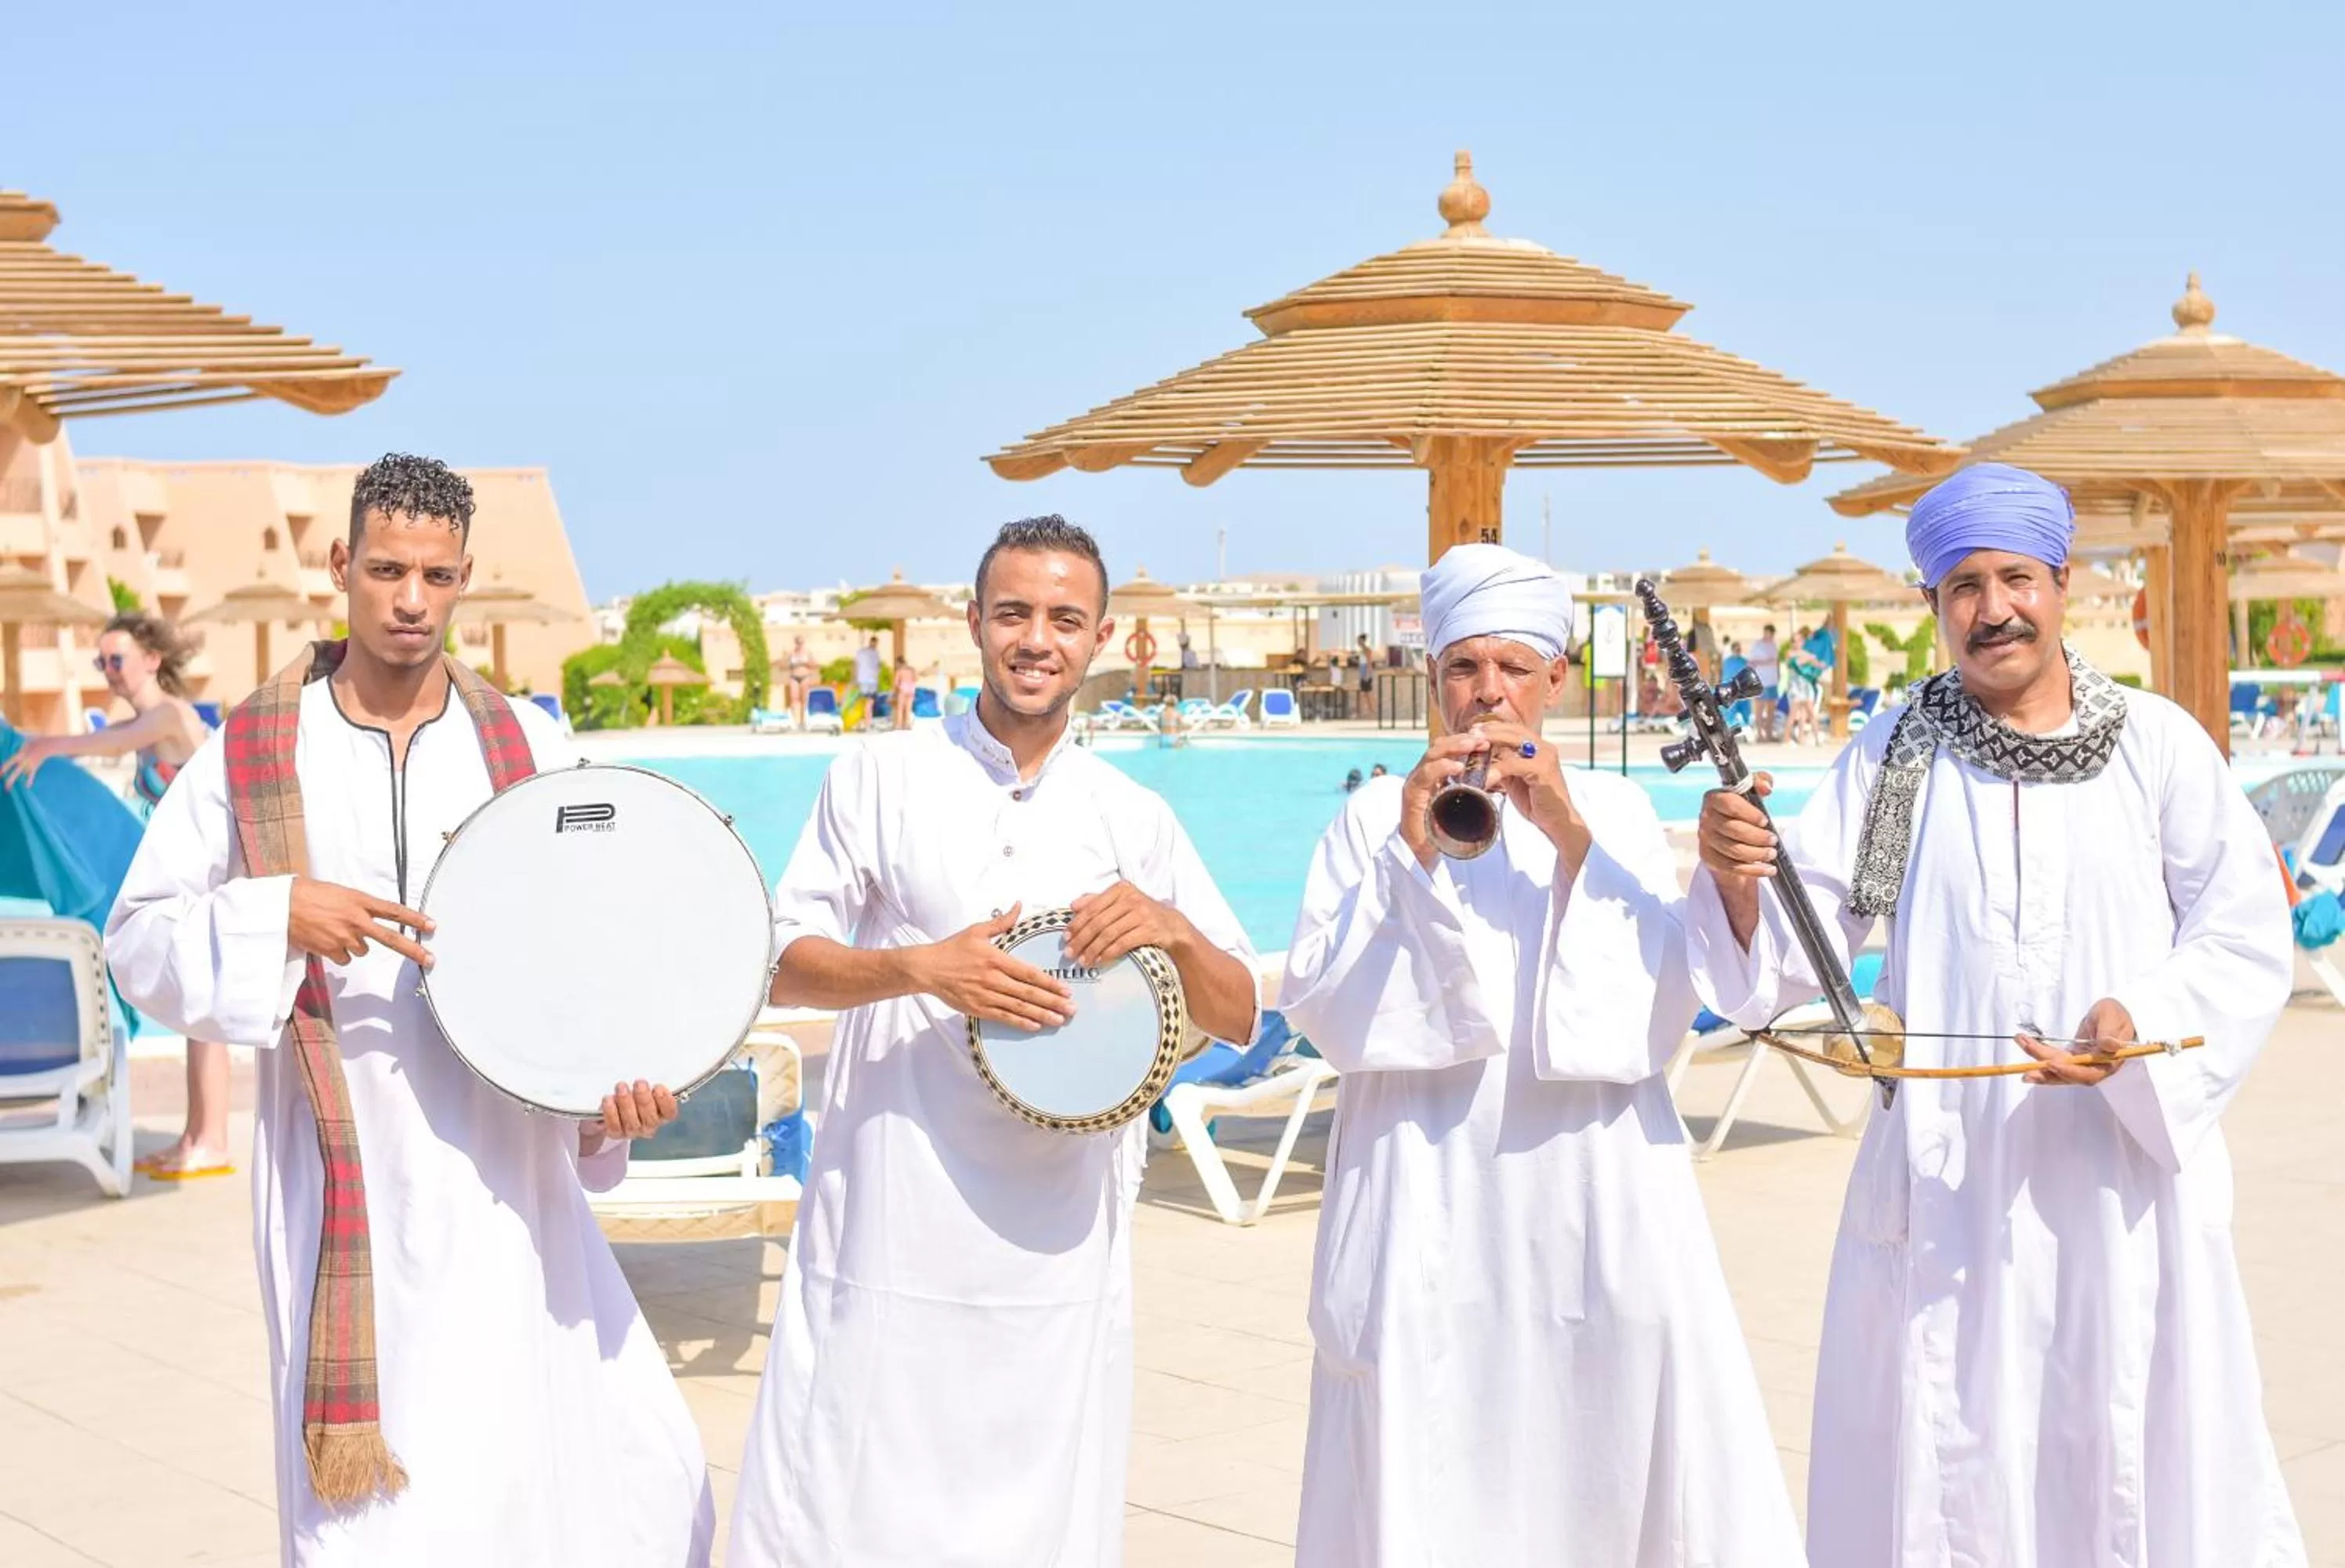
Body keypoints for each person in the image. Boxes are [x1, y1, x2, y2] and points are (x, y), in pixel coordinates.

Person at [1688, 463, 2304, 1567]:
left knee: (2118, 1446)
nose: (1991, 609)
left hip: (2118, 1177)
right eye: (1961, 586)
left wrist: (2138, 1020)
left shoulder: (2157, 745)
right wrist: (1738, 877)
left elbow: (2243, 933)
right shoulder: (1892, 754)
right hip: (1944, 1186)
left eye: (2014, 577)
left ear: (2064, 585)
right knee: (1950, 1461)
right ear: (1934, 606)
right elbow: (1805, 948)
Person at [104, 455, 712, 1565]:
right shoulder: (253, 746)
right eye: (385, 569)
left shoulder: (527, 745)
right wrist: (279, 913)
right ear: (342, 565)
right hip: (347, 1182)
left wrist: (605, 1104)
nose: (409, 600)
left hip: (512, 1185)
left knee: (616, 1476)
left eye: (434, 575)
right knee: (379, 1529)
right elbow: (136, 940)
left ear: (464, 576)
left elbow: (604, 939)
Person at [728, 514, 1258, 1566]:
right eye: (1012, 612)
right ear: (970, 623)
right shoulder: (875, 777)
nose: (1035, 638)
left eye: (1064, 619)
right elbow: (777, 958)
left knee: (1037, 1503)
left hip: (1061, 1237)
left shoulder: (1132, 814)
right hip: (892, 1213)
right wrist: (918, 967)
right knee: (855, 1484)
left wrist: (1170, 927)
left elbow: (1236, 1013)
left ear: (1097, 639)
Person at [1278, 543, 1802, 1567]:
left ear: (1554, 679)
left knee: (1605, 1452)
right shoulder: (1366, 820)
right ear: (1431, 679)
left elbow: (1660, 1009)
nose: (1487, 693)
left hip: (1593, 1200)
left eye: (1511, 668)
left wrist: (1566, 833)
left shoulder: (1607, 812)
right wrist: (1410, 852)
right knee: (1426, 1462)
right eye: (1463, 668)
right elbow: (1328, 1013)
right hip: (1426, 1202)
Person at [2, 611, 231, 1178]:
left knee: (203, 1015)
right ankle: (195, 1137)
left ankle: (213, 1141)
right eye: (101, 662)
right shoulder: (151, 719)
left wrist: (42, 747)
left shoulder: (169, 715)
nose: (109, 671)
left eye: (117, 659)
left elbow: (105, 740)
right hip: (184, 875)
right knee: (191, 1015)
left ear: (152, 660)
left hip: (211, 875)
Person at [1748, 623, 1782, 740]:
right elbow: (1751, 662)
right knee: (1759, 709)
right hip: (1761, 681)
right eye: (1768, 634)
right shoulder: (1757, 645)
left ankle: (1769, 733)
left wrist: (1778, 674)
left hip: (1773, 681)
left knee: (1771, 709)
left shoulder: (1774, 645)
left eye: (1771, 634)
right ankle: (1760, 734)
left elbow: (1776, 662)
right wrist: (1767, 662)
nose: (1769, 636)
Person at [783, 634, 817, 727]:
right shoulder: (791, 653)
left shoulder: (807, 652)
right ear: (795, 643)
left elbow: (815, 664)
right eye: (797, 642)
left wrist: (805, 663)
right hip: (794, 676)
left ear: (803, 643)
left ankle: (803, 720)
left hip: (805, 676)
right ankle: (795, 720)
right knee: (794, 698)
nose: (799, 645)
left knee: (804, 699)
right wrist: (791, 665)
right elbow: (783, 665)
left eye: (801, 643)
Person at [851, 634, 883, 728]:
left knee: (866, 702)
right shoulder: (873, 653)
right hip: (869, 680)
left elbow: (855, 665)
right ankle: (866, 722)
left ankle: (865, 722)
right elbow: (878, 667)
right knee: (868, 702)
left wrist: (855, 678)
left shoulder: (863, 652)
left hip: (866, 680)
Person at [1354, 633, 1378, 720]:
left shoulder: (1368, 650)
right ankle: (1368, 712)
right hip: (1362, 672)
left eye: (1359, 640)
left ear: (1363, 641)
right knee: (1364, 693)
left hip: (1366, 673)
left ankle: (1373, 711)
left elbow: (1369, 663)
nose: (1358, 642)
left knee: (1369, 693)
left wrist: (1368, 674)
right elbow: (1362, 662)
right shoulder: (1361, 652)